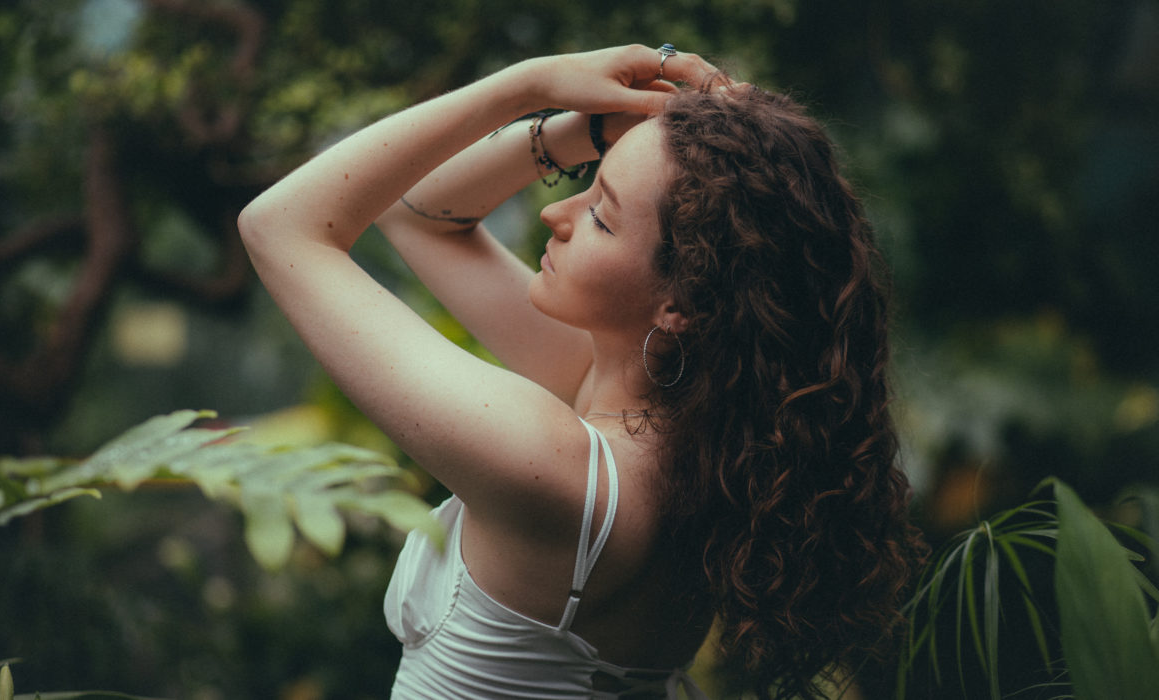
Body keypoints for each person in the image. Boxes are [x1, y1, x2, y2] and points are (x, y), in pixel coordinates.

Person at [239, 44, 925, 700]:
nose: (555, 212)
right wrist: (595, 132)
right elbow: (422, 217)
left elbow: (280, 226)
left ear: (680, 302)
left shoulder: (555, 465)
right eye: (585, 186)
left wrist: (527, 85)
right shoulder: (682, 438)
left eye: (600, 215)